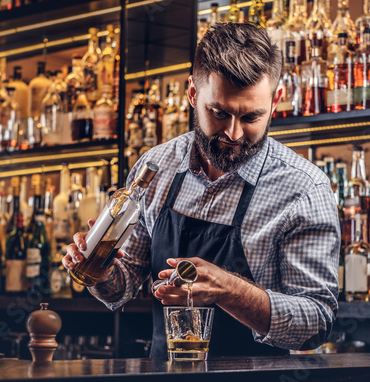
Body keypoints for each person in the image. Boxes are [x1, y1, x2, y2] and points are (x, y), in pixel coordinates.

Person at [63, 22, 340, 359]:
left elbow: (316, 321)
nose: (234, 134)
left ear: (277, 100)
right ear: (193, 93)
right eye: (219, 113)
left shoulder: (304, 189)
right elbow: (121, 288)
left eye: (252, 116)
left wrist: (229, 291)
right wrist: (102, 271)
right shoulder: (157, 166)